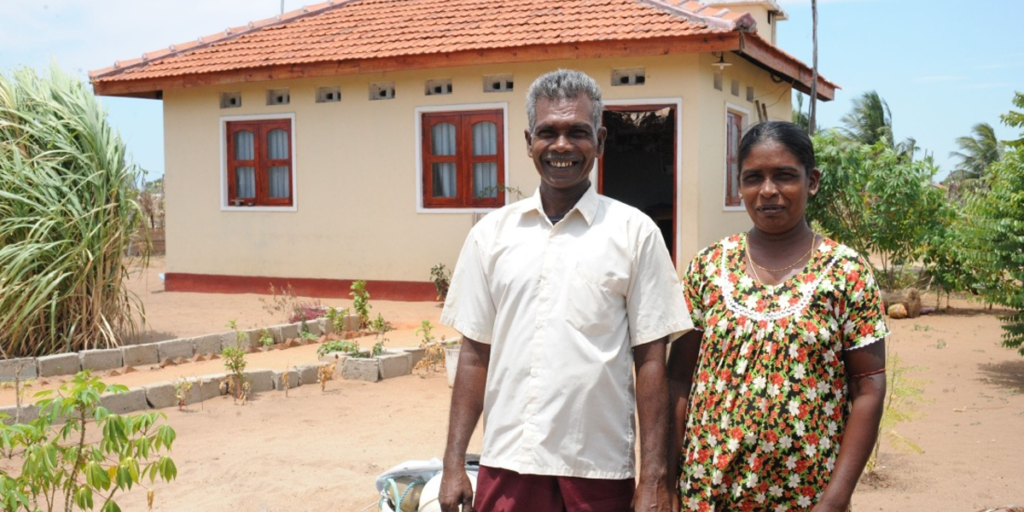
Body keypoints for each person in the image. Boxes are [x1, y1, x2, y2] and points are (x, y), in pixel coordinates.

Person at [438, 69, 693, 512]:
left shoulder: (635, 233)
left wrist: (654, 477)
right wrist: (452, 462)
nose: (561, 146)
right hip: (508, 462)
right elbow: (475, 353)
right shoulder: (492, 235)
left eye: (577, 132)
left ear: (600, 139)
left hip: (596, 468)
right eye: (547, 132)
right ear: (528, 141)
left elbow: (651, 360)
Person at [668, 121, 888, 511]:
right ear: (739, 185)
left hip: (809, 496)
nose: (768, 190)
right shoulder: (708, 267)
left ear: (812, 181)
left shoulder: (847, 273)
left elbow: (868, 391)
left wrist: (834, 501)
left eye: (784, 176)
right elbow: (679, 380)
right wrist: (667, 481)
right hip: (708, 493)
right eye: (754, 178)